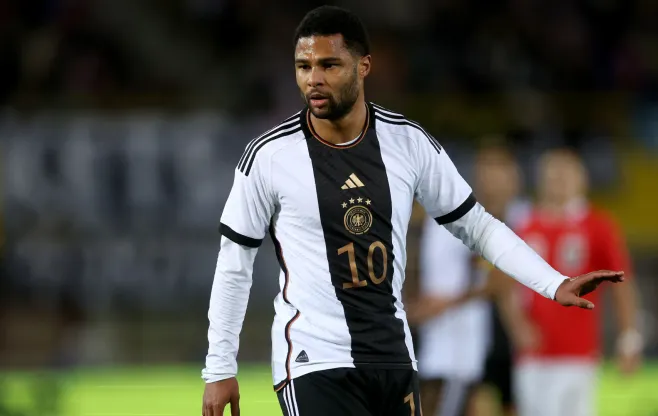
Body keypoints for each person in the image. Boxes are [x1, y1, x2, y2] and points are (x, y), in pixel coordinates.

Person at [200, 6, 625, 416]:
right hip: (314, 359)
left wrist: (552, 282)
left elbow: (476, 226)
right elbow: (235, 262)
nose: (314, 79)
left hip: (393, 357)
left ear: (363, 66)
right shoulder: (269, 156)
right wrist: (219, 367)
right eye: (303, 66)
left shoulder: (408, 143)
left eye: (329, 65)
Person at [512, 149, 642, 416]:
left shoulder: (598, 226)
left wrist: (629, 339)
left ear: (582, 180)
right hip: (532, 355)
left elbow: (622, 286)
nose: (558, 180)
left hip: (578, 354)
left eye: (566, 173)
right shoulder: (524, 225)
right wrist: (517, 324)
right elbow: (506, 285)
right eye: (552, 173)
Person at [410, 147, 530, 416]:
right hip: (464, 339)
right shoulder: (451, 219)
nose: (493, 182)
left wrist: (454, 300)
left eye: (500, 174)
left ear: (515, 179)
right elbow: (436, 284)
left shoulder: (528, 218)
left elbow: (502, 281)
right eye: (487, 174)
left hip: (514, 333)